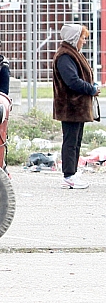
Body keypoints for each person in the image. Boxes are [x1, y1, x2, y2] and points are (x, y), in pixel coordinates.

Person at [52, 24, 99, 190]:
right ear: (74, 38)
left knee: (76, 141)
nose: (84, 42)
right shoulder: (65, 56)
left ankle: (72, 172)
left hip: (77, 107)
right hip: (70, 106)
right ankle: (68, 176)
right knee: (70, 141)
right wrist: (91, 88)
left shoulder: (72, 54)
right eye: (82, 38)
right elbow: (72, 81)